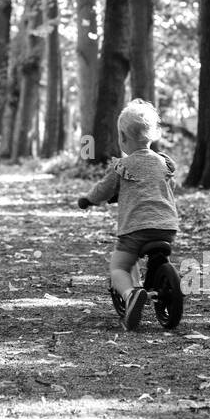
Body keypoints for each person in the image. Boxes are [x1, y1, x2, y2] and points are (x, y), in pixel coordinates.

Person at [76, 98, 182, 331]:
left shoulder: (121, 166)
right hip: (167, 226)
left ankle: (131, 293)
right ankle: (160, 281)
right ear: (153, 135)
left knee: (119, 267)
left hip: (135, 229)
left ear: (122, 137)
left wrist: (88, 200)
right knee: (154, 253)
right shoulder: (164, 163)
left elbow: (103, 190)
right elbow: (169, 189)